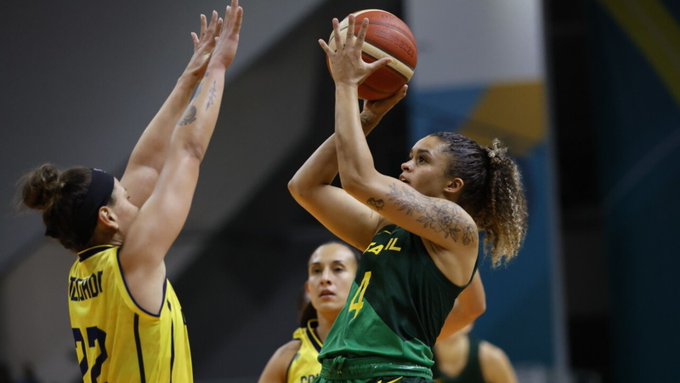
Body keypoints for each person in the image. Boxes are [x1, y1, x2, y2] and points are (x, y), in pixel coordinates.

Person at [288, 15, 528, 382]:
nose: (406, 163)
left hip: (393, 374)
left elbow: (358, 181)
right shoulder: (386, 227)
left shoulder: (457, 227)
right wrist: (366, 118)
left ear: (453, 185)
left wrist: (347, 87)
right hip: (335, 374)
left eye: (422, 159)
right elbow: (306, 187)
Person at [17, 2, 243, 381]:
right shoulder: (133, 263)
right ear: (106, 216)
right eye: (123, 195)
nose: (133, 195)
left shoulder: (85, 270)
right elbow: (187, 151)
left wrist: (188, 78)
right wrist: (218, 70)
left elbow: (147, 167)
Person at [258, 242, 360, 383]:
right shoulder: (287, 357)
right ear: (308, 289)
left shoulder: (382, 347)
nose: (325, 279)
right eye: (317, 271)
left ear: (360, 283)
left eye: (337, 269)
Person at [433, 325, 518, 383]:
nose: (450, 322)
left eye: (455, 313)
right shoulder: (422, 357)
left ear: (470, 322)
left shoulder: (492, 359)